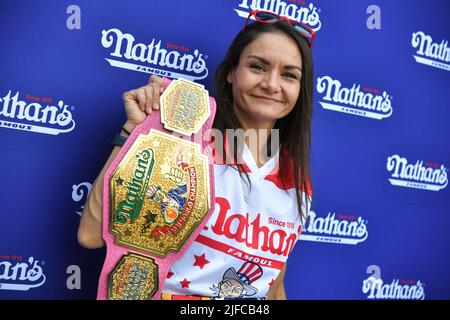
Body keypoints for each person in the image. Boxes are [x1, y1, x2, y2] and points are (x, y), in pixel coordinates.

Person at [78, 10, 314, 300]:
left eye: (290, 75)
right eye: (258, 67)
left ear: (300, 89)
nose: (272, 84)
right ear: (231, 72)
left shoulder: (295, 177)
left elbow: (273, 289)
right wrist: (134, 132)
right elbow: (90, 234)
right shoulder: (184, 141)